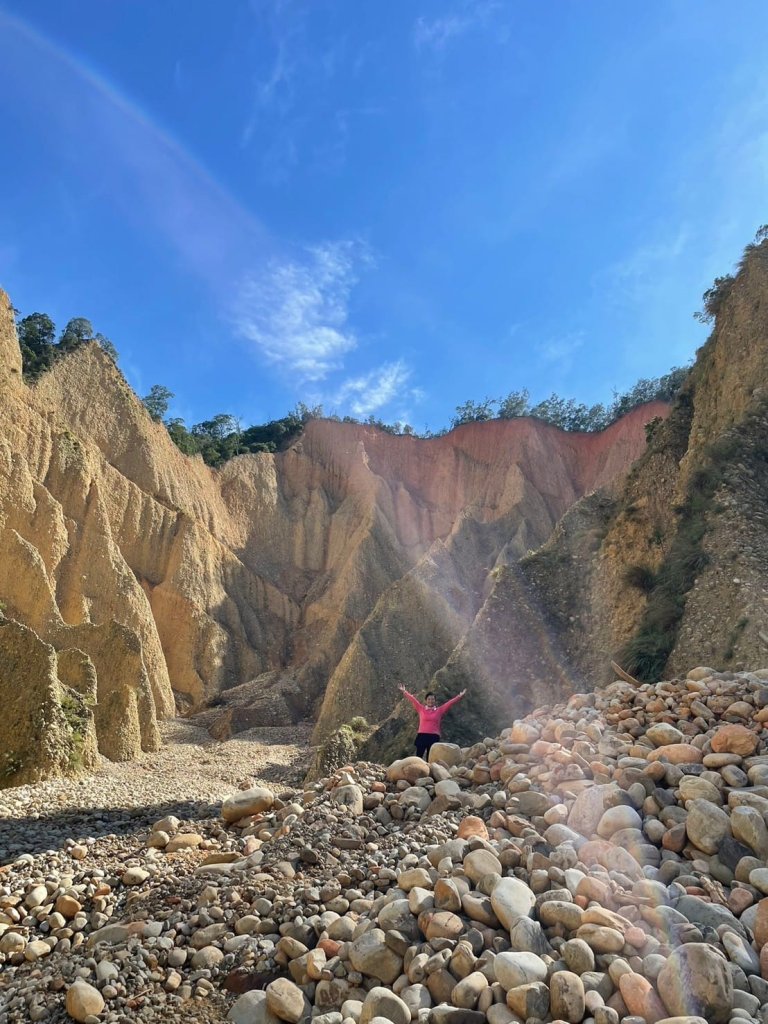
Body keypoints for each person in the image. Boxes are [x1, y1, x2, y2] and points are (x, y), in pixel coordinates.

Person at [398, 683, 466, 759]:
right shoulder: (421, 709)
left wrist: (459, 696)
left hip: (434, 737)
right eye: (429, 699)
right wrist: (404, 691)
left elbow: (449, 703)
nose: (431, 701)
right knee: (418, 757)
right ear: (426, 700)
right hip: (422, 736)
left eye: (432, 699)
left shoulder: (439, 710)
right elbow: (413, 700)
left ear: (435, 701)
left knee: (430, 758)